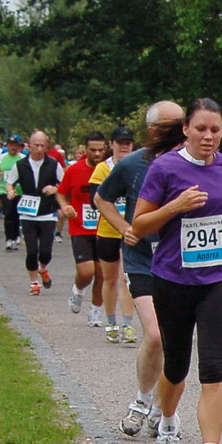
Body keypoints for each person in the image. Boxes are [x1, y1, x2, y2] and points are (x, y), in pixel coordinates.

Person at [130, 98, 222, 444]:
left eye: (215, 130)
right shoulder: (165, 168)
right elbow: (140, 225)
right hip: (173, 280)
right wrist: (175, 206)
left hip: (218, 278)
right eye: (201, 128)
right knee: (175, 369)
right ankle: (168, 423)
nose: (208, 136)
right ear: (186, 129)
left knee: (214, 370)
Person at [98, 104, 182, 436]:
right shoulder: (133, 164)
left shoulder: (192, 163)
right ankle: (141, 401)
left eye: (181, 124)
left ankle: (162, 408)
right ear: (153, 130)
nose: (179, 131)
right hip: (143, 260)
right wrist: (124, 228)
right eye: (170, 126)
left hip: (179, 262)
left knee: (172, 339)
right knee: (156, 334)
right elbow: (102, 199)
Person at [88, 126, 139, 344]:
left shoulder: (138, 166)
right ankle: (111, 322)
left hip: (131, 231)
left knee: (127, 278)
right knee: (108, 279)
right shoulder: (102, 168)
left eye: (128, 143)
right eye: (120, 143)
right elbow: (95, 200)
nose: (124, 147)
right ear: (112, 145)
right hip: (108, 230)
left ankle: (127, 324)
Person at [60, 131, 114, 333]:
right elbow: (61, 193)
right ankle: (78, 288)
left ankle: (95, 311)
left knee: (102, 274)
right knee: (86, 272)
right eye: (93, 150)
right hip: (80, 227)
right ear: (85, 149)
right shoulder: (74, 170)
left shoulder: (110, 170)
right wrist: (65, 206)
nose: (97, 154)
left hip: (104, 227)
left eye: (100, 150)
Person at [14, 131, 64, 295]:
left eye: (43, 145)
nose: (40, 149)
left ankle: (42, 268)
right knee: (31, 250)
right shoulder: (20, 165)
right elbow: (9, 182)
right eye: (36, 145)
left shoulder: (53, 164)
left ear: (47, 146)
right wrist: (10, 191)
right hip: (27, 214)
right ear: (29, 145)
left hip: (47, 213)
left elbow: (64, 185)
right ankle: (34, 282)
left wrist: (55, 189)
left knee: (45, 252)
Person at [0, 133, 25, 251]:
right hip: (5, 190)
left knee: (16, 214)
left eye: (15, 145)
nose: (12, 147)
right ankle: (9, 239)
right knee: (8, 213)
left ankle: (16, 234)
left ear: (19, 146)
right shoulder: (2, 157)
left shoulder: (23, 158)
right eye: (10, 145)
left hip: (19, 191)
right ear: (7, 146)